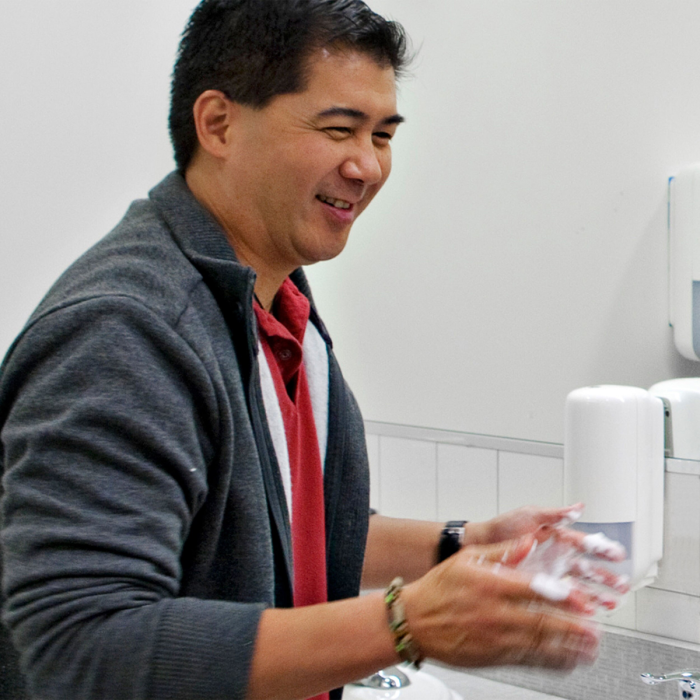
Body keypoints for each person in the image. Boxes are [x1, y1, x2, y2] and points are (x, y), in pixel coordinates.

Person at [0, 1, 616, 699]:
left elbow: (281, 526)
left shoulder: (275, 302)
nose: (367, 166)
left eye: (383, 135)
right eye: (338, 130)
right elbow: (81, 646)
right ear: (218, 124)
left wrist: (464, 544)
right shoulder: (128, 330)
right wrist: (405, 622)